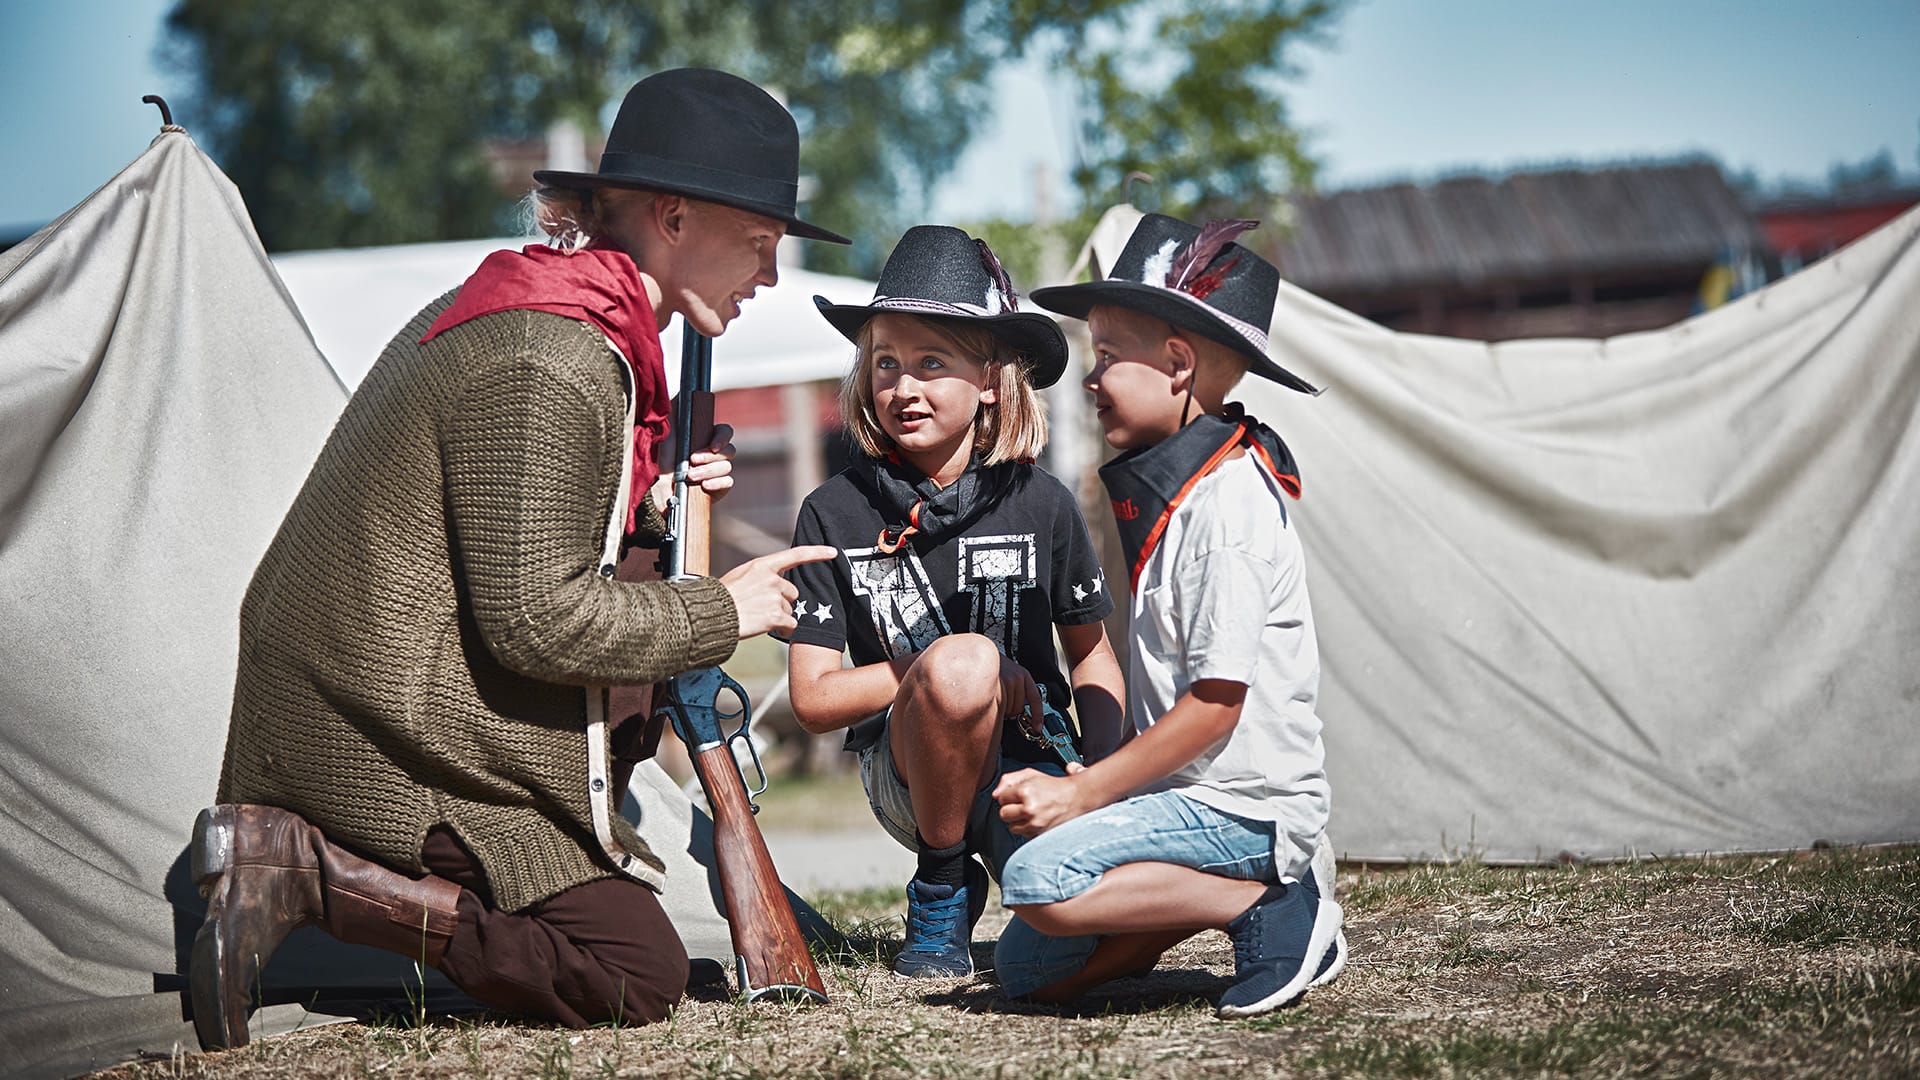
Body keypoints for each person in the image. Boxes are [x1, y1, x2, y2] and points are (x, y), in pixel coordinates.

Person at [190, 68, 845, 1050]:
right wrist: (725, 610)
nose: (767, 275)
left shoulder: (564, 316)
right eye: (757, 244)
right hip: (377, 721)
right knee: (636, 972)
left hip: (412, 693)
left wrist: (651, 509)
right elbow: (536, 618)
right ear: (670, 217)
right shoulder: (551, 356)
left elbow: (519, 538)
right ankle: (298, 870)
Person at [993, 213, 1345, 1016]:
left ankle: (1272, 903)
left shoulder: (1228, 513)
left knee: (1036, 878)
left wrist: (1085, 797)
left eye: (1108, 358)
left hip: (1243, 807)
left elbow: (1215, 709)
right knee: (1026, 973)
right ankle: (1207, 899)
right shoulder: (1180, 493)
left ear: (1179, 365)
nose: (1090, 378)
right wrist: (1105, 783)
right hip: (1178, 805)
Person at [782, 225, 1126, 977]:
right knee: (964, 663)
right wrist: (948, 668)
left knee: (1076, 947)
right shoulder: (832, 511)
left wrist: (1100, 777)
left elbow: (1093, 654)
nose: (904, 388)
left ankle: (1012, 878)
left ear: (990, 380)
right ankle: (941, 882)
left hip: (1032, 769)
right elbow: (812, 698)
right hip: (906, 776)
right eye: (886, 364)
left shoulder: (1043, 501)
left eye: (932, 364)